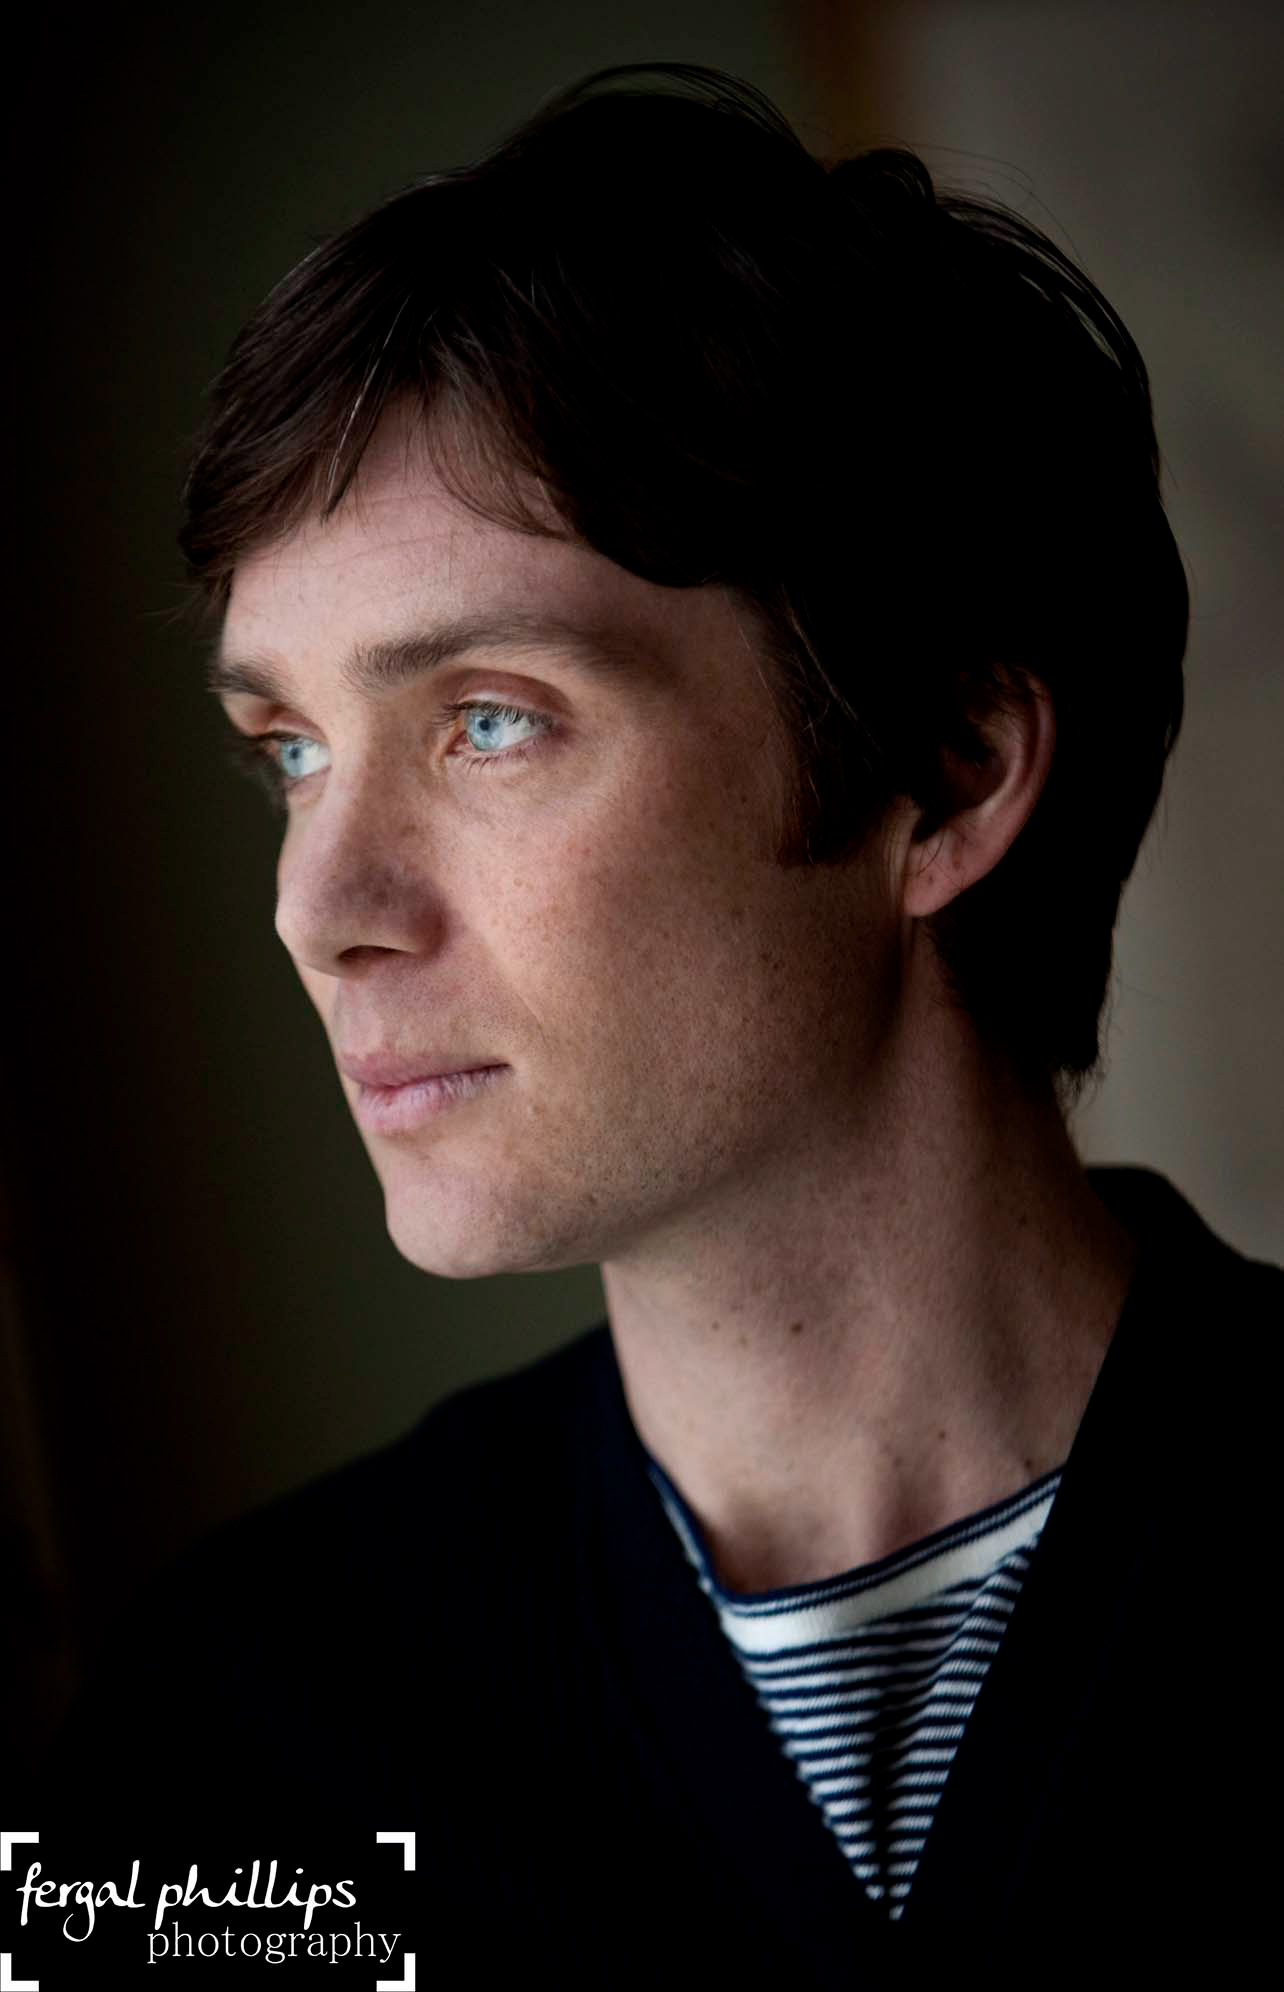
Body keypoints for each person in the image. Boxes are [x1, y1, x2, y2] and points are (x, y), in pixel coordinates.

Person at [51, 62, 1276, 1980]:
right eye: (289, 750)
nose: (316, 909)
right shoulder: (221, 1740)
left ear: (947, 773)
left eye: (488, 720)